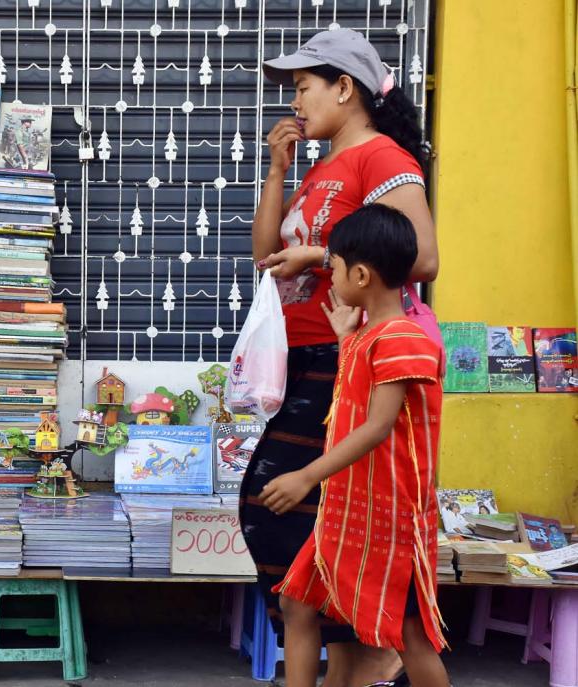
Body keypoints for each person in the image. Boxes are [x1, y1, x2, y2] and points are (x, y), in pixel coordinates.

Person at [238, 27, 438, 687]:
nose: (295, 102)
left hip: (344, 354)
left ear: (345, 88)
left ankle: (365, 654)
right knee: (295, 513)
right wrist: (276, 172)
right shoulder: (323, 167)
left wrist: (321, 257)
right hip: (307, 355)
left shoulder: (378, 156)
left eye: (303, 87)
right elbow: (267, 256)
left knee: (278, 499)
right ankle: (348, 654)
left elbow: (422, 256)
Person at [262, 204, 449, 687]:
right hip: (349, 512)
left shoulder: (405, 339)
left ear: (362, 274)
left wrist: (307, 475)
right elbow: (357, 398)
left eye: (336, 267)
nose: (333, 276)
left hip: (391, 521)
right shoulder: (372, 337)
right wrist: (347, 340)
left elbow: (378, 426)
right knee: (296, 602)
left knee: (410, 633)